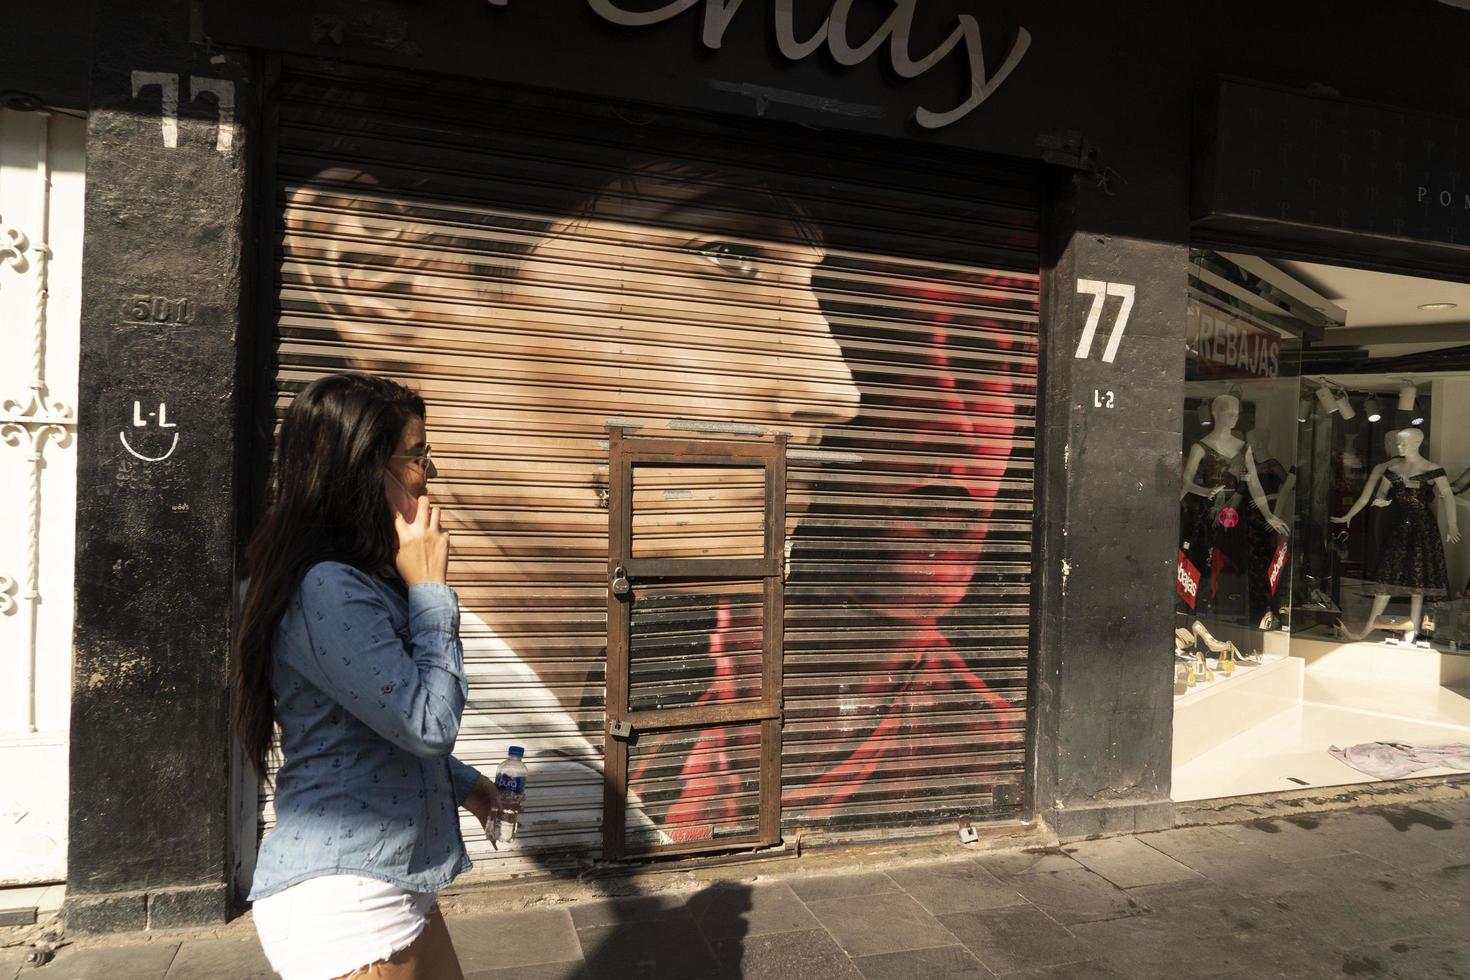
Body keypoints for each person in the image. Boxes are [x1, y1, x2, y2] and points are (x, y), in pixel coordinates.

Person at [232, 372, 500, 980]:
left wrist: (463, 784)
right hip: (351, 908)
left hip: (386, 885)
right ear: (365, 469)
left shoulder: (354, 579)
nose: (428, 474)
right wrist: (431, 587)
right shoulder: (329, 587)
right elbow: (427, 725)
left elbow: (361, 725)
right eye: (417, 456)